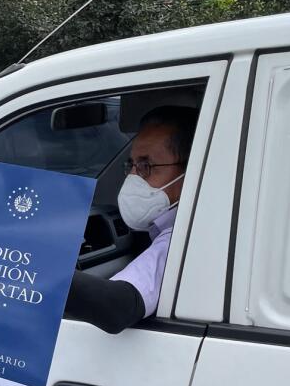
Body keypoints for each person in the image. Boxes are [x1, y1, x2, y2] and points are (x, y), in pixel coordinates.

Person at [64, 105, 198, 333]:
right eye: (131, 165)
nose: (133, 178)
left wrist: (28, 265)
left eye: (146, 166)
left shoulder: (186, 238)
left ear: (191, 170)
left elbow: (119, 306)